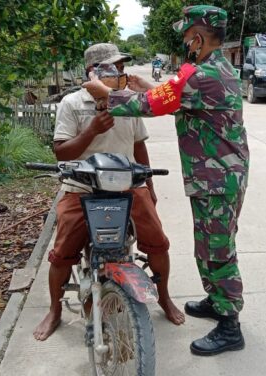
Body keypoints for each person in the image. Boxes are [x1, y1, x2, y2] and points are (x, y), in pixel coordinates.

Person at [83, 6, 250, 356]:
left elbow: (148, 105)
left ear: (198, 38)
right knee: (209, 244)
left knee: (218, 250)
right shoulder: (214, 69)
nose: (186, 43)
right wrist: (151, 87)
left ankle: (230, 324)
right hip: (217, 175)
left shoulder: (203, 75)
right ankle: (216, 300)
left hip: (216, 179)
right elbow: (174, 96)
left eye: (188, 38)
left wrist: (105, 93)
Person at [33, 43, 185, 342]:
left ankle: (164, 297)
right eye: (111, 69)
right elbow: (61, 153)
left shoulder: (128, 103)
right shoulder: (72, 103)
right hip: (81, 186)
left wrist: (149, 186)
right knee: (62, 252)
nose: (119, 73)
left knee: (158, 242)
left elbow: (139, 145)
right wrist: (92, 131)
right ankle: (55, 310)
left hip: (127, 185)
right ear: (92, 73)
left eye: (120, 68)